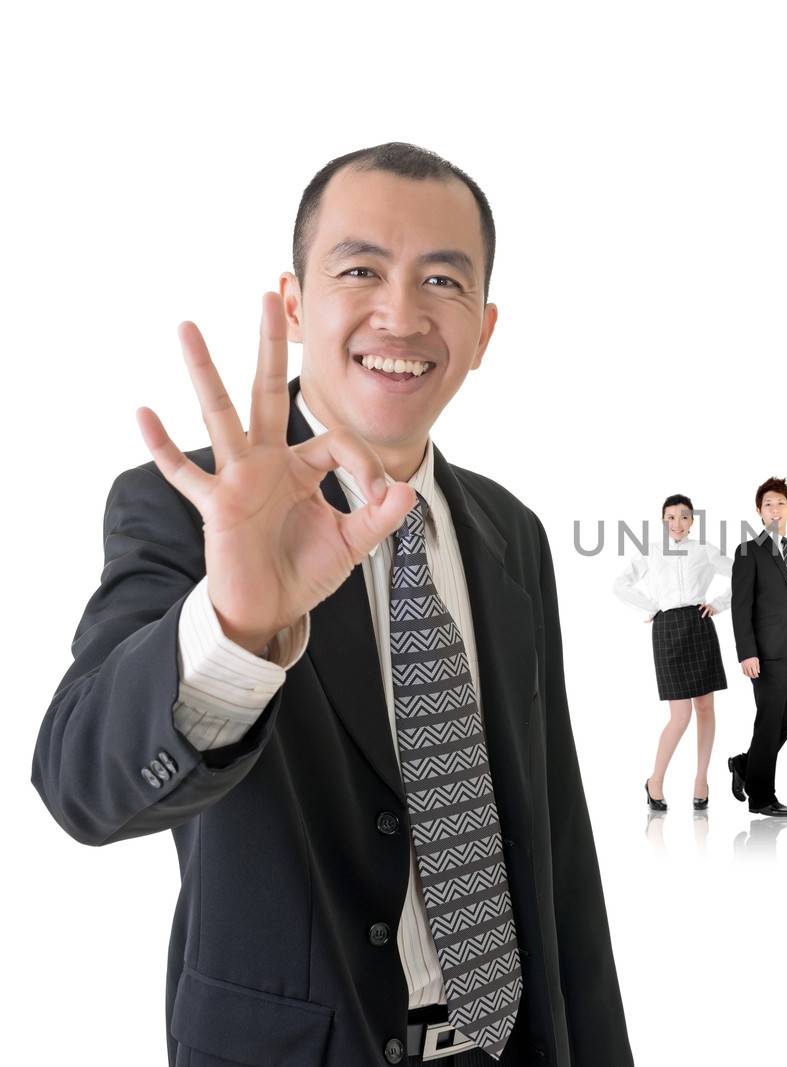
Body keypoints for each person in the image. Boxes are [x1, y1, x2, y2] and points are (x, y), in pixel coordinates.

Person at [30, 143, 631, 1066]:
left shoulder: (514, 533)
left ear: (484, 328)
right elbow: (83, 785)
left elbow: (557, 850)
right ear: (297, 302)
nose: (402, 313)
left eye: (443, 279)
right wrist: (235, 625)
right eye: (361, 270)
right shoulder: (191, 506)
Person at [614, 493, 732, 812]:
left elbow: (741, 575)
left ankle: (701, 780)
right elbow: (620, 584)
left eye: (683, 517)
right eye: (671, 517)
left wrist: (718, 604)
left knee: (705, 707)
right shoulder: (651, 552)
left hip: (698, 622)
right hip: (667, 628)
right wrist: (652, 607)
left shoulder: (705, 550)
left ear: (692, 521)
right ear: (663, 521)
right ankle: (655, 780)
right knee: (680, 715)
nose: (677, 523)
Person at [728, 476, 787, 817]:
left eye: (780, 503)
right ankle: (762, 796)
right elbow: (741, 608)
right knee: (768, 722)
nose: (775, 509)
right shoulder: (748, 552)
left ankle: (744, 764)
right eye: (768, 504)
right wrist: (746, 652)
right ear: (758, 510)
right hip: (764, 654)